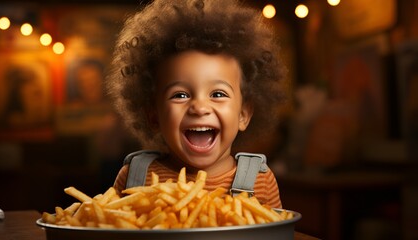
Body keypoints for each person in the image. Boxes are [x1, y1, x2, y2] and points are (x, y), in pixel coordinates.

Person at [106, 0, 286, 208]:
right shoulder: (135, 177)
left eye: (218, 93)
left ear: (243, 115)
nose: (199, 107)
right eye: (180, 95)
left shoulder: (259, 181)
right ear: (153, 116)